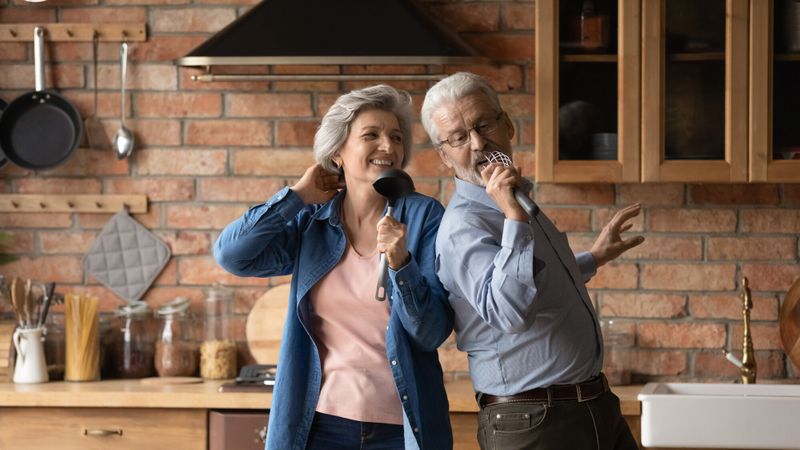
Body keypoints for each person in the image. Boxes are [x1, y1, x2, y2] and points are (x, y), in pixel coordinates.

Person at [214, 85, 454, 450]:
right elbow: (233, 255)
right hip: (318, 426)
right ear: (338, 152)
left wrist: (401, 264)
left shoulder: (424, 217)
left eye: (396, 137)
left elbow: (431, 332)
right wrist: (295, 197)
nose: (388, 147)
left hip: (401, 430)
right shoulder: (311, 221)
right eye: (370, 135)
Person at [420, 72, 645, 450]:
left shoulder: (513, 204)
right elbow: (511, 313)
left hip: (592, 406)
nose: (477, 143)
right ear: (445, 155)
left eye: (483, 124)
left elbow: (532, 283)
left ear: (506, 125)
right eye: (458, 138)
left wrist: (593, 258)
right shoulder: (465, 226)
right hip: (533, 420)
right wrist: (513, 218)